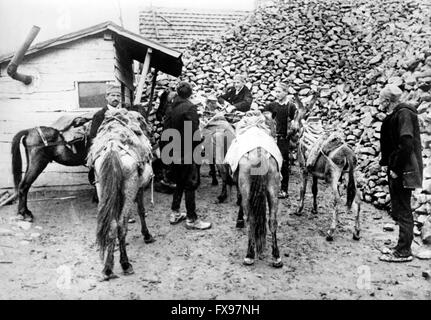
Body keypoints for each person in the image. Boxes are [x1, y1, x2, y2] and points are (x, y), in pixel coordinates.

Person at [378, 84, 423, 263]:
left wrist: (396, 169)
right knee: (398, 208)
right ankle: (401, 246)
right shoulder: (395, 115)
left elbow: (406, 143)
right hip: (399, 169)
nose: (379, 104)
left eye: (381, 100)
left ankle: (404, 251)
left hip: (404, 170)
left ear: (388, 101)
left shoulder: (404, 114)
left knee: (404, 210)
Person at [164, 81, 211, 230]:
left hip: (173, 151)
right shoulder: (190, 107)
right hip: (188, 152)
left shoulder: (170, 107)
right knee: (190, 184)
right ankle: (192, 219)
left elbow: (166, 131)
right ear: (190, 94)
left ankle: (175, 212)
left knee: (179, 183)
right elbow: (194, 133)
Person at [263, 82, 297, 199]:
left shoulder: (290, 107)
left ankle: (284, 189)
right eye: (276, 92)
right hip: (272, 138)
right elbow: (264, 117)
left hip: (284, 139)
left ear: (285, 92)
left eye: (279, 92)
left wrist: (293, 126)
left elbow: (295, 121)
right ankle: (267, 185)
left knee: (283, 163)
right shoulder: (272, 106)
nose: (277, 94)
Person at [87, 83, 122, 184]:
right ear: (107, 97)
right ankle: (96, 181)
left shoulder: (123, 113)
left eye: (118, 96)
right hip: (104, 145)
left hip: (121, 143)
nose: (116, 98)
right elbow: (93, 135)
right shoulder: (99, 115)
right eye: (113, 95)